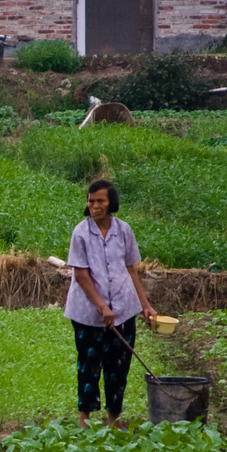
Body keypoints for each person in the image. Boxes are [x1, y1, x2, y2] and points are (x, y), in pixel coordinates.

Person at [63, 179, 157, 429]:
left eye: (100, 201)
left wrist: (145, 305)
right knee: (89, 366)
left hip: (123, 310)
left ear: (111, 203)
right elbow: (81, 275)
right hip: (88, 316)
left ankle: (113, 421)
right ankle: (85, 422)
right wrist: (102, 307)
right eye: (91, 201)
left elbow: (131, 270)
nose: (94, 205)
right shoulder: (80, 233)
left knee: (119, 366)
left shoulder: (123, 230)